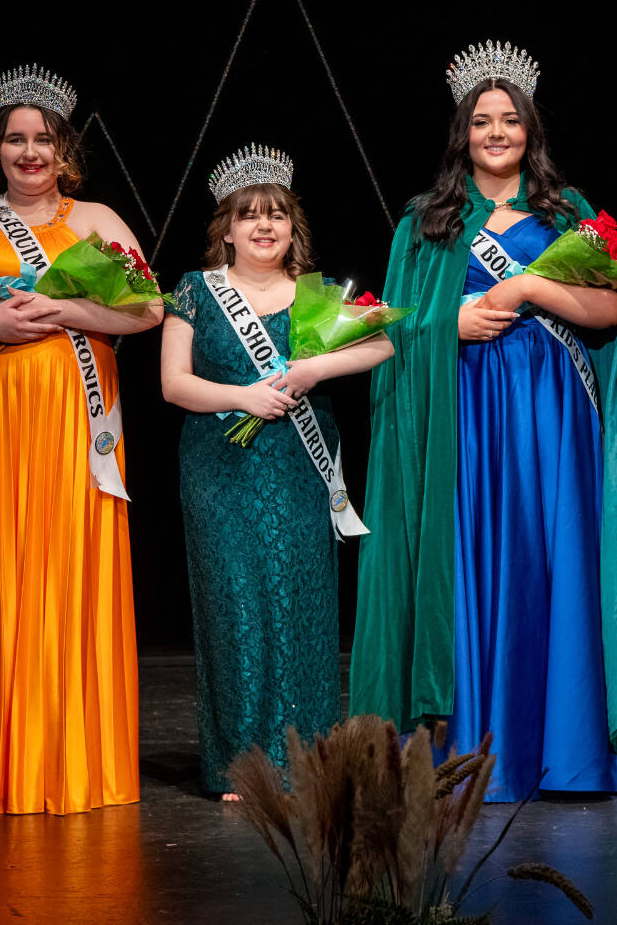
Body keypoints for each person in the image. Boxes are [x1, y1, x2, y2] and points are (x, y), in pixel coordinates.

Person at [350, 42, 617, 802]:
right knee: (471, 563)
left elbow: (605, 314)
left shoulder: (571, 213)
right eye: (483, 121)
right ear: (462, 132)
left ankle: (562, 751)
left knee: (548, 562)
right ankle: (467, 749)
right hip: (461, 413)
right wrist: (445, 324)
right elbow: (388, 332)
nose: (497, 133)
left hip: (555, 418)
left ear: (531, 130)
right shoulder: (423, 223)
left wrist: (528, 283)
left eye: (511, 121)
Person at [0, 65, 160, 815]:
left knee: (61, 572)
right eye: (15, 138)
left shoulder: (98, 221)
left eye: (42, 139)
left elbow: (148, 312)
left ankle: (66, 763)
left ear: (63, 149)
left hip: (71, 431)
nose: (29, 152)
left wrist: (61, 315)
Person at [160, 145, 394, 799]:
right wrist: (243, 397)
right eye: (249, 215)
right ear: (226, 228)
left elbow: (382, 343)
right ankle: (242, 765)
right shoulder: (193, 291)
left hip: (298, 462)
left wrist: (317, 369)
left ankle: (306, 762)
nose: (265, 226)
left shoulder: (314, 295)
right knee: (233, 606)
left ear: (293, 227)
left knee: (301, 606)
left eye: (278, 215)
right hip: (219, 465)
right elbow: (173, 384)